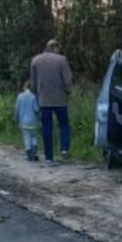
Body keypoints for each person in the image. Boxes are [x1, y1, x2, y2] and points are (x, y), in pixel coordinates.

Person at [30, 38, 73, 166]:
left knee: (47, 128)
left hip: (44, 100)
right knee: (64, 124)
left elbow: (33, 81)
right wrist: (68, 91)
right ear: (55, 48)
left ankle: (49, 157)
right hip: (60, 99)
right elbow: (67, 80)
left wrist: (36, 94)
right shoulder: (61, 60)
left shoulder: (36, 60)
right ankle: (64, 148)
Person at [14, 79, 41, 161]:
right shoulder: (34, 97)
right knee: (34, 137)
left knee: (26, 138)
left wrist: (16, 118)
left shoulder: (20, 96)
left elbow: (17, 110)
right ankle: (34, 154)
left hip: (23, 122)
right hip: (33, 122)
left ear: (25, 87)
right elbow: (36, 109)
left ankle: (29, 155)